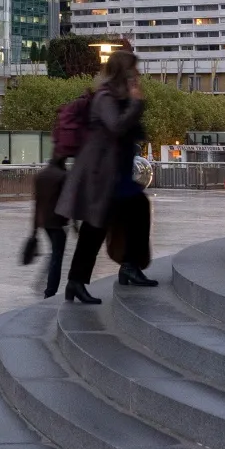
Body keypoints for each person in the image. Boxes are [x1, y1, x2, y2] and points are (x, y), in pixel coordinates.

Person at [56, 49, 146, 304]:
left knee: (132, 212)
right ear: (124, 72)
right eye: (134, 70)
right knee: (95, 227)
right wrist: (137, 102)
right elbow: (116, 126)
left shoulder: (117, 96)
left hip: (112, 172)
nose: (138, 74)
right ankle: (76, 282)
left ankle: (126, 266)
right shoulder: (105, 97)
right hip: (99, 173)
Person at [30, 151, 68, 298]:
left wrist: (33, 230)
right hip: (58, 222)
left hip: (44, 221)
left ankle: (46, 287)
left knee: (54, 254)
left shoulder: (41, 175)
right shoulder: (62, 176)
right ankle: (50, 291)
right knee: (57, 257)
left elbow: (37, 203)